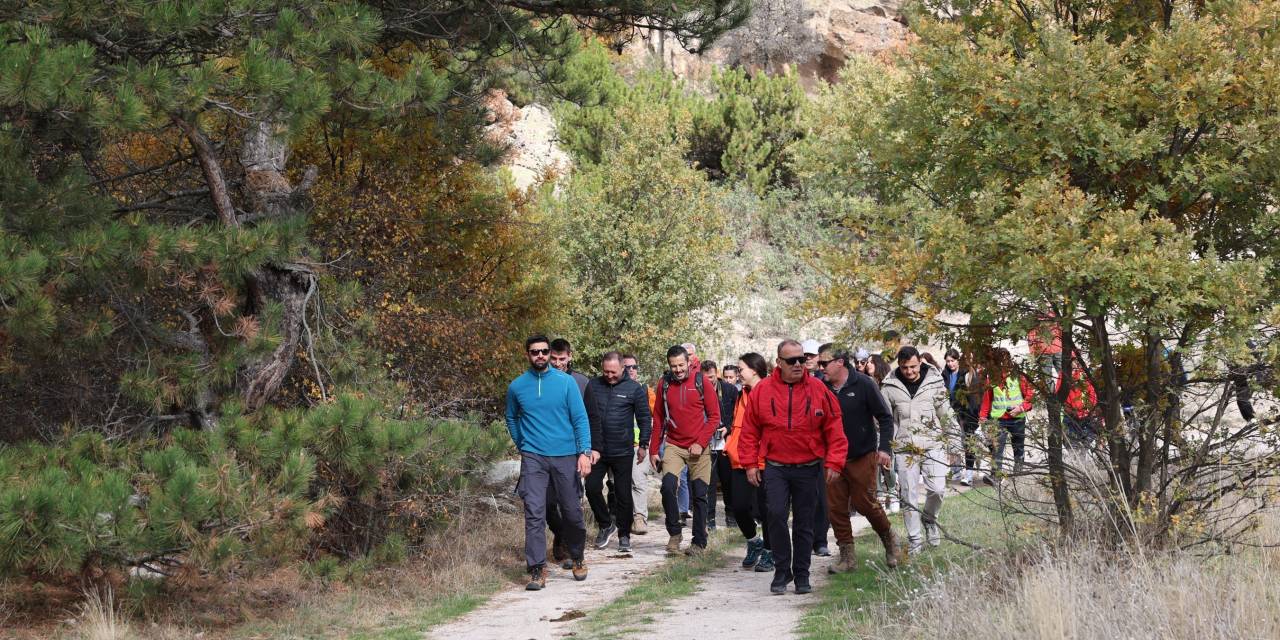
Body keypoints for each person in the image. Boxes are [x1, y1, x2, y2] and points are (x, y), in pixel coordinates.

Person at [739, 340, 848, 595]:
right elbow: (749, 431)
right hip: (776, 466)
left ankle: (801, 574)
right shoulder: (763, 391)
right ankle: (781, 571)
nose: (799, 364)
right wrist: (750, 464)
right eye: (792, 361)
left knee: (804, 522)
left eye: (801, 359)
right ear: (779, 363)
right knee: (775, 515)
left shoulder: (818, 388)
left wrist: (834, 461)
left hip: (809, 466)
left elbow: (834, 427)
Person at [505, 335, 592, 590]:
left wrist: (584, 453)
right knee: (534, 512)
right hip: (533, 457)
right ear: (528, 355)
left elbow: (580, 419)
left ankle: (577, 556)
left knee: (572, 511)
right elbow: (511, 417)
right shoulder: (517, 386)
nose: (541, 356)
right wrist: (523, 443)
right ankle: (537, 569)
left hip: (565, 455)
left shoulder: (566, 383)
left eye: (544, 352)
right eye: (535, 352)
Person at [819, 345, 900, 572]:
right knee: (835, 508)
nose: (820, 367)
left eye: (824, 363)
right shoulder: (819, 387)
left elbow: (885, 418)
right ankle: (847, 557)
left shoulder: (864, 384)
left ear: (840, 362)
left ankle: (890, 539)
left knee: (866, 503)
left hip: (861, 455)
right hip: (831, 459)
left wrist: (884, 449)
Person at [880, 345, 957, 554]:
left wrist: (955, 444)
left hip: (933, 444)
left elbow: (946, 413)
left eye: (913, 366)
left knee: (937, 489)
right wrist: (885, 449)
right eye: (905, 367)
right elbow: (884, 421)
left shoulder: (934, 382)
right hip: (905, 448)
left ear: (920, 362)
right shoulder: (889, 386)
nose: (909, 371)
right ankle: (914, 539)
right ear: (899, 365)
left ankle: (929, 520)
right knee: (908, 495)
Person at [649, 345, 720, 555]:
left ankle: (699, 542)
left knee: (700, 494)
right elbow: (658, 418)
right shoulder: (664, 384)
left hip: (699, 447)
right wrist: (654, 449)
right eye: (674, 366)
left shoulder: (701, 382)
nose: (678, 370)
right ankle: (674, 533)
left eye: (681, 365)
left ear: (689, 362)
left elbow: (715, 416)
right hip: (674, 445)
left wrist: (701, 442)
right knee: (668, 487)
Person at [583, 352, 652, 553]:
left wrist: (643, 445)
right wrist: (586, 447)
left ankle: (624, 535)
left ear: (623, 368)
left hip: (622, 450)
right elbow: (585, 416)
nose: (610, 375)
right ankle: (606, 524)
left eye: (613, 372)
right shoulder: (593, 386)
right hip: (597, 450)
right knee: (592, 488)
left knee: (623, 495)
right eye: (606, 371)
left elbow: (644, 418)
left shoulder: (634, 388)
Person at [725, 353, 774, 572]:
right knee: (739, 507)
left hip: (765, 460)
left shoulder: (770, 391)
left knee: (767, 510)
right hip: (740, 458)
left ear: (754, 370)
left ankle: (771, 553)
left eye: (740, 369)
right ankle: (754, 542)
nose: (738, 373)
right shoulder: (741, 393)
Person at [979, 348, 1035, 478]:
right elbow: (987, 400)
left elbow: (1030, 396)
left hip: (1017, 418)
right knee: (997, 448)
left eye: (1004, 360)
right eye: (999, 360)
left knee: (1018, 448)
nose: (1002, 363)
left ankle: (1018, 474)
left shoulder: (1018, 376)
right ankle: (995, 477)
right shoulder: (991, 379)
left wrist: (1021, 408)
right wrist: (982, 416)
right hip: (998, 419)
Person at [622, 354, 658, 535]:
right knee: (619, 483)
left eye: (634, 367)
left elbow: (656, 416)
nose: (631, 370)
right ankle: (622, 518)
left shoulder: (645, 391)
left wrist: (649, 443)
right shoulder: (614, 388)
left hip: (639, 445)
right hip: (619, 445)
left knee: (638, 480)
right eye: (627, 366)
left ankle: (640, 518)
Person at [703, 360, 739, 532]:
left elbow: (738, 414)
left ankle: (731, 516)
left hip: (727, 441)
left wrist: (728, 427)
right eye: (705, 377)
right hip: (706, 441)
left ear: (716, 373)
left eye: (711, 377)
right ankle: (709, 519)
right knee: (709, 482)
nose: (708, 381)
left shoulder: (730, 390)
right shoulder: (698, 390)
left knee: (728, 481)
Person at [941, 348, 981, 486]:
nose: (950, 364)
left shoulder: (966, 374)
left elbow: (974, 396)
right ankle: (957, 471)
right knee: (953, 443)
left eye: (952, 361)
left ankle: (969, 474)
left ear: (958, 360)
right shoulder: (945, 374)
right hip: (952, 414)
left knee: (969, 442)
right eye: (948, 361)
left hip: (968, 413)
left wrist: (974, 415)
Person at [867, 353, 899, 514]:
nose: (867, 365)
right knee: (874, 465)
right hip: (871, 429)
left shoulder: (888, 384)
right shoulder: (866, 382)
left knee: (887, 463)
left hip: (886, 429)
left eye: (870, 363)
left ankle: (892, 492)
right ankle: (879, 495)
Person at [1058, 353, 1099, 449]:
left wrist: (1088, 410)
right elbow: (1059, 395)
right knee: (1071, 444)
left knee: (1086, 442)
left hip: (1085, 416)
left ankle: (1084, 458)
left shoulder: (1083, 375)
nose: (1075, 364)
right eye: (1072, 361)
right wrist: (1068, 410)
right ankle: (1076, 462)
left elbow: (1092, 394)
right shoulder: (1062, 376)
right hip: (1070, 416)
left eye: (1076, 360)